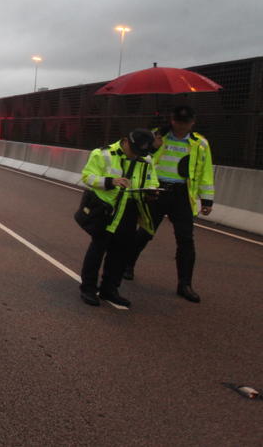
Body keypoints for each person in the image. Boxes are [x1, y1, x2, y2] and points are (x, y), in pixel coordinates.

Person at [123, 105, 214, 302]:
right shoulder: (155, 137)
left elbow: (205, 173)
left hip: (182, 196)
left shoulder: (201, 144)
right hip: (156, 191)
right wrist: (153, 148)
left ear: (193, 121)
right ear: (172, 120)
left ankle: (185, 284)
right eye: (179, 121)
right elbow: (138, 159)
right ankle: (128, 266)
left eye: (187, 121)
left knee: (186, 240)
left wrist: (206, 199)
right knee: (146, 232)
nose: (183, 125)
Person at [78, 129, 159, 307]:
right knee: (98, 248)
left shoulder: (146, 159)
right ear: (127, 142)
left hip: (130, 210)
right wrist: (110, 181)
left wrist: (152, 190)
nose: (138, 155)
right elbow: (87, 176)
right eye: (135, 150)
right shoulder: (103, 154)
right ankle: (88, 288)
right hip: (107, 209)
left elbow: (151, 179)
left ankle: (110, 289)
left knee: (120, 252)